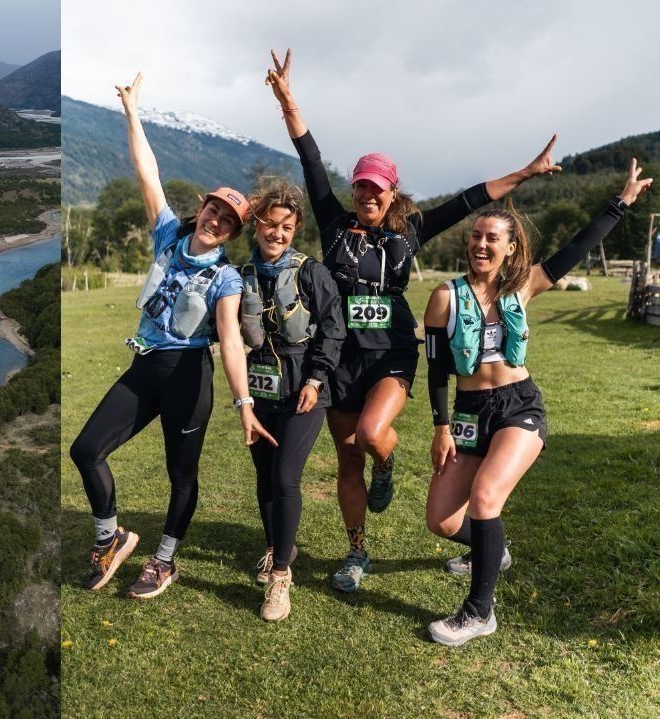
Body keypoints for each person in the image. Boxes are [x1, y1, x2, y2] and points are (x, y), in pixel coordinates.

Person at [265, 49, 562, 592]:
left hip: (393, 352)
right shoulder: (334, 225)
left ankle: (388, 464)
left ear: (393, 192)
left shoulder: (411, 229)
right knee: (346, 458)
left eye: (377, 188)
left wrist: (527, 172)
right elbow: (311, 159)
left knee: (374, 435)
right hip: (337, 356)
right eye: (360, 186)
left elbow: (471, 198)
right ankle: (357, 553)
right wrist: (289, 102)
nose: (367, 195)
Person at [422, 160, 652, 645]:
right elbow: (438, 369)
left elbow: (576, 248)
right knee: (442, 520)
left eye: (492, 238)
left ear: (510, 248)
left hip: (517, 407)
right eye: (476, 236)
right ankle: (491, 548)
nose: (481, 244)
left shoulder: (523, 286)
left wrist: (621, 204)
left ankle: (479, 612)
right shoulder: (444, 297)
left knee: (486, 498)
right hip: (467, 413)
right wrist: (442, 426)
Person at [69, 73, 273, 599]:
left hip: (188, 377)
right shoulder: (168, 235)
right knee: (86, 449)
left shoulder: (226, 277)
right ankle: (110, 538)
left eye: (228, 221)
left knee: (180, 475)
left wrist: (244, 403)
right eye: (213, 210)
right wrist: (132, 112)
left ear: (232, 233)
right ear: (202, 208)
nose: (216, 221)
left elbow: (229, 340)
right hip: (146, 368)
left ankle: (164, 561)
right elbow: (148, 171)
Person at [239, 181, 344, 621]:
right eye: (269, 224)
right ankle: (275, 546)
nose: (277, 233)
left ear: (295, 228)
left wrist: (317, 380)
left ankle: (282, 576)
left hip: (305, 391)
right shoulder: (239, 273)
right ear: (256, 225)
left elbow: (334, 328)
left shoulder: (311, 272)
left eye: (286, 226)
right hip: (260, 389)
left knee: (285, 477)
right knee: (264, 479)